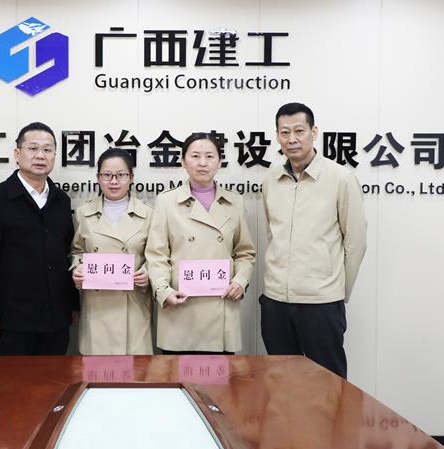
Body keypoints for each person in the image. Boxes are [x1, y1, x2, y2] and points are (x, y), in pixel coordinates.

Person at [261, 102, 367, 378]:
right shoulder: (271, 178)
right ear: (277, 136)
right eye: (285, 132)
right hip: (276, 300)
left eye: (299, 131)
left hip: (321, 302)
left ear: (314, 132)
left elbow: (355, 241)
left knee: (329, 383)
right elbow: (272, 232)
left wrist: (336, 289)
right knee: (281, 381)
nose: (292, 139)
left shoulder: (341, 178)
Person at [0, 122, 78, 355]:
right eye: (33, 148)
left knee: (55, 377)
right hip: (13, 320)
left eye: (47, 150)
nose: (40, 155)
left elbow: (67, 255)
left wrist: (72, 305)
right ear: (17, 154)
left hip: (56, 318)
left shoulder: (61, 200)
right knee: (13, 379)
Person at [146, 133, 256, 354]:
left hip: (221, 308)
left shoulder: (234, 202)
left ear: (220, 162)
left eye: (210, 156)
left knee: (220, 376)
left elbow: (245, 252)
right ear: (183, 161)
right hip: (180, 308)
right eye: (195, 156)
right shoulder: (166, 201)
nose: (202, 163)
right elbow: (156, 255)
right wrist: (164, 291)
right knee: (178, 375)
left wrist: (240, 281)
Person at [70, 148, 153, 355]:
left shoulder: (148, 214)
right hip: (97, 307)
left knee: (135, 372)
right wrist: (78, 269)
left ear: (131, 177)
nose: (113, 181)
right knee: (96, 370)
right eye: (107, 175)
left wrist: (147, 272)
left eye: (121, 175)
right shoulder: (83, 213)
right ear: (98, 177)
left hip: (133, 305)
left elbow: (157, 255)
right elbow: (77, 251)